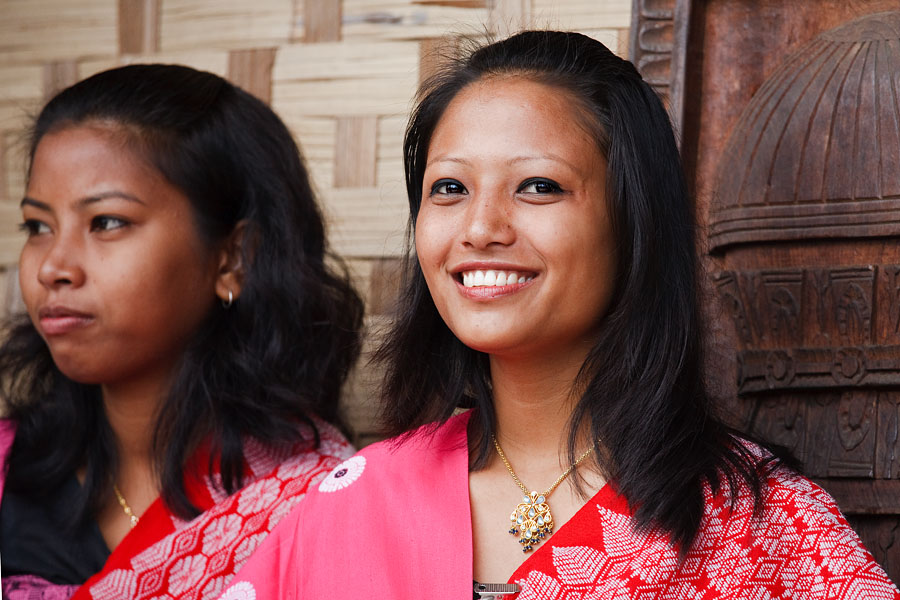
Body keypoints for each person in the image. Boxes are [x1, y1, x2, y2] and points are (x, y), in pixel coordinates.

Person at [219, 31, 900, 599]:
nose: (480, 228)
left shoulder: (763, 529)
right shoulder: (353, 508)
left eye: (538, 186)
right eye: (449, 188)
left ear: (633, 222)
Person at [0, 64, 364, 599]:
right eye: (38, 226)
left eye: (106, 222)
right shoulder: (10, 468)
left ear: (233, 258)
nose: (53, 267)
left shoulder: (315, 510)